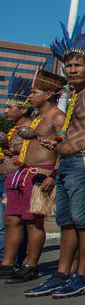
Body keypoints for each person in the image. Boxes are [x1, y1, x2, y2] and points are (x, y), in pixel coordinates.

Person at [26, 17, 85, 299]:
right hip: (67, 164)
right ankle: (62, 274)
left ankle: (83, 277)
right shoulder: (76, 95)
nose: (72, 69)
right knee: (66, 221)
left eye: (77, 65)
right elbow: (79, 130)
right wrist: (58, 143)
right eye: (68, 65)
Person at [1, 73, 38, 279]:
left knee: (29, 221)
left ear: (24, 109)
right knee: (10, 220)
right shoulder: (14, 130)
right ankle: (7, 263)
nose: (5, 111)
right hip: (12, 178)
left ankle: (25, 263)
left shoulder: (34, 127)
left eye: (10, 107)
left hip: (27, 177)